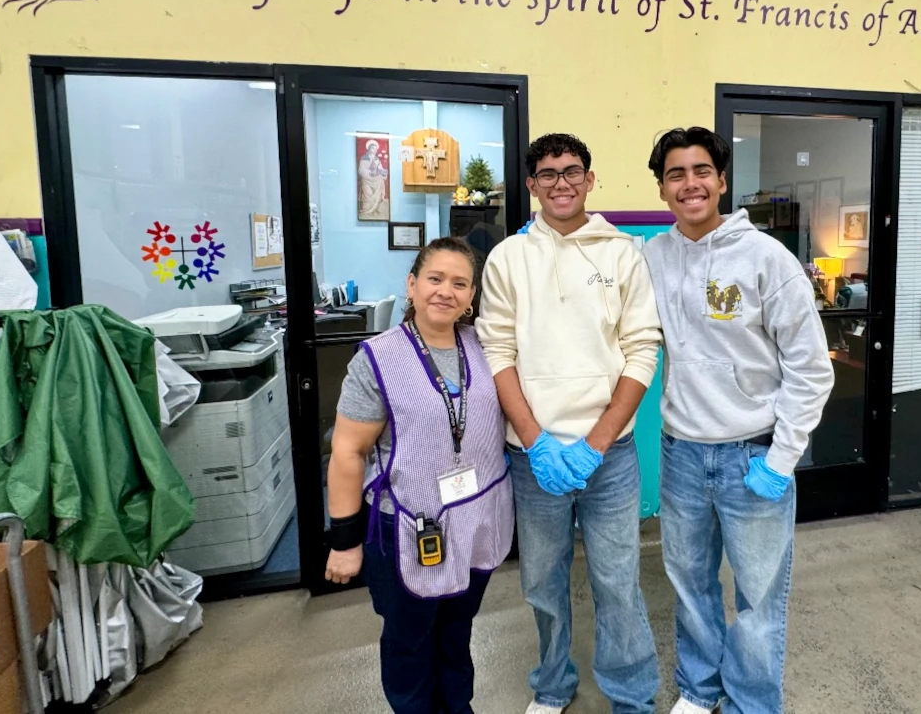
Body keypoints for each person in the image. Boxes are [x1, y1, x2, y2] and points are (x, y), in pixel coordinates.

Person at [643, 127, 835, 714]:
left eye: (701, 171)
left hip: (753, 454)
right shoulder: (652, 257)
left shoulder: (767, 259)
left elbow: (811, 369)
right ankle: (699, 691)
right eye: (676, 174)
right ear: (662, 188)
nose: (690, 184)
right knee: (689, 584)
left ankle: (752, 702)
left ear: (722, 181)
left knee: (759, 598)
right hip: (681, 452)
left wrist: (782, 458)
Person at [477, 133, 662, 714]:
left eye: (573, 171)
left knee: (618, 581)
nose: (562, 182)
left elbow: (642, 351)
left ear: (590, 179)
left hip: (610, 457)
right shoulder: (508, 258)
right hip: (533, 459)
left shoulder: (623, 253)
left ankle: (632, 697)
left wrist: (595, 444)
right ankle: (553, 685)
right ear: (532, 185)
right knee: (542, 583)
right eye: (549, 173)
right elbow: (497, 353)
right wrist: (536, 443)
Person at [324, 237, 514, 714]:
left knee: (457, 632)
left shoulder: (487, 347)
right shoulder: (378, 359)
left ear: (471, 297)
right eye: (434, 279)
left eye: (459, 283)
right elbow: (348, 452)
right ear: (411, 285)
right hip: (407, 527)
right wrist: (344, 542)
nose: (445, 291)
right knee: (410, 641)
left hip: (476, 520)